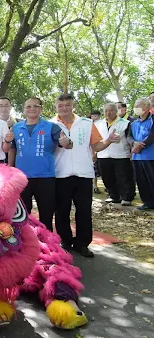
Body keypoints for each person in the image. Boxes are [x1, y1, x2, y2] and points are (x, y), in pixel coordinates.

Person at [51, 93, 119, 257]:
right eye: (61, 106)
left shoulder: (87, 123)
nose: (64, 108)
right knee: (62, 210)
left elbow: (96, 146)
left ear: (73, 106)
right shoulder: (50, 125)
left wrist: (109, 140)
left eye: (68, 105)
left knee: (83, 210)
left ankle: (82, 243)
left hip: (84, 173)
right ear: (56, 107)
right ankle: (64, 240)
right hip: (60, 173)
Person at [8, 97, 67, 231]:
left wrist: (66, 142)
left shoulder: (51, 127)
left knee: (46, 213)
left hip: (45, 177)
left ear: (40, 109)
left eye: (36, 106)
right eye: (28, 106)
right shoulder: (16, 128)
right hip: (22, 178)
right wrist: (10, 169)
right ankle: (26, 242)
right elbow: (12, 149)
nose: (32, 109)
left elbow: (65, 143)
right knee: (23, 214)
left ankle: (48, 245)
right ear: (24, 110)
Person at [94, 103, 134, 206]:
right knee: (107, 177)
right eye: (106, 110)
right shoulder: (98, 124)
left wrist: (131, 151)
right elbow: (94, 140)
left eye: (111, 110)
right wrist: (93, 153)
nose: (108, 112)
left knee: (123, 177)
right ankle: (113, 196)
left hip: (121, 154)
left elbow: (129, 138)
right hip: (103, 154)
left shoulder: (125, 123)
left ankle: (126, 197)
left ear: (116, 111)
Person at [128, 98, 154, 210]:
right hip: (137, 157)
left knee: (151, 179)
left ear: (147, 108)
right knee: (141, 181)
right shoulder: (133, 123)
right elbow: (129, 136)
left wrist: (140, 145)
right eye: (135, 105)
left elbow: (152, 135)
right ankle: (147, 202)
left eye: (139, 105)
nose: (136, 107)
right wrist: (134, 143)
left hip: (150, 155)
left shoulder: (152, 120)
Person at [90, 110, 103, 194]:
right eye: (92, 116)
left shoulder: (102, 124)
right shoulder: (89, 124)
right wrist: (93, 153)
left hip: (102, 151)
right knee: (93, 169)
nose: (94, 117)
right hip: (92, 151)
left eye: (96, 116)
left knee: (102, 171)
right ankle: (95, 186)